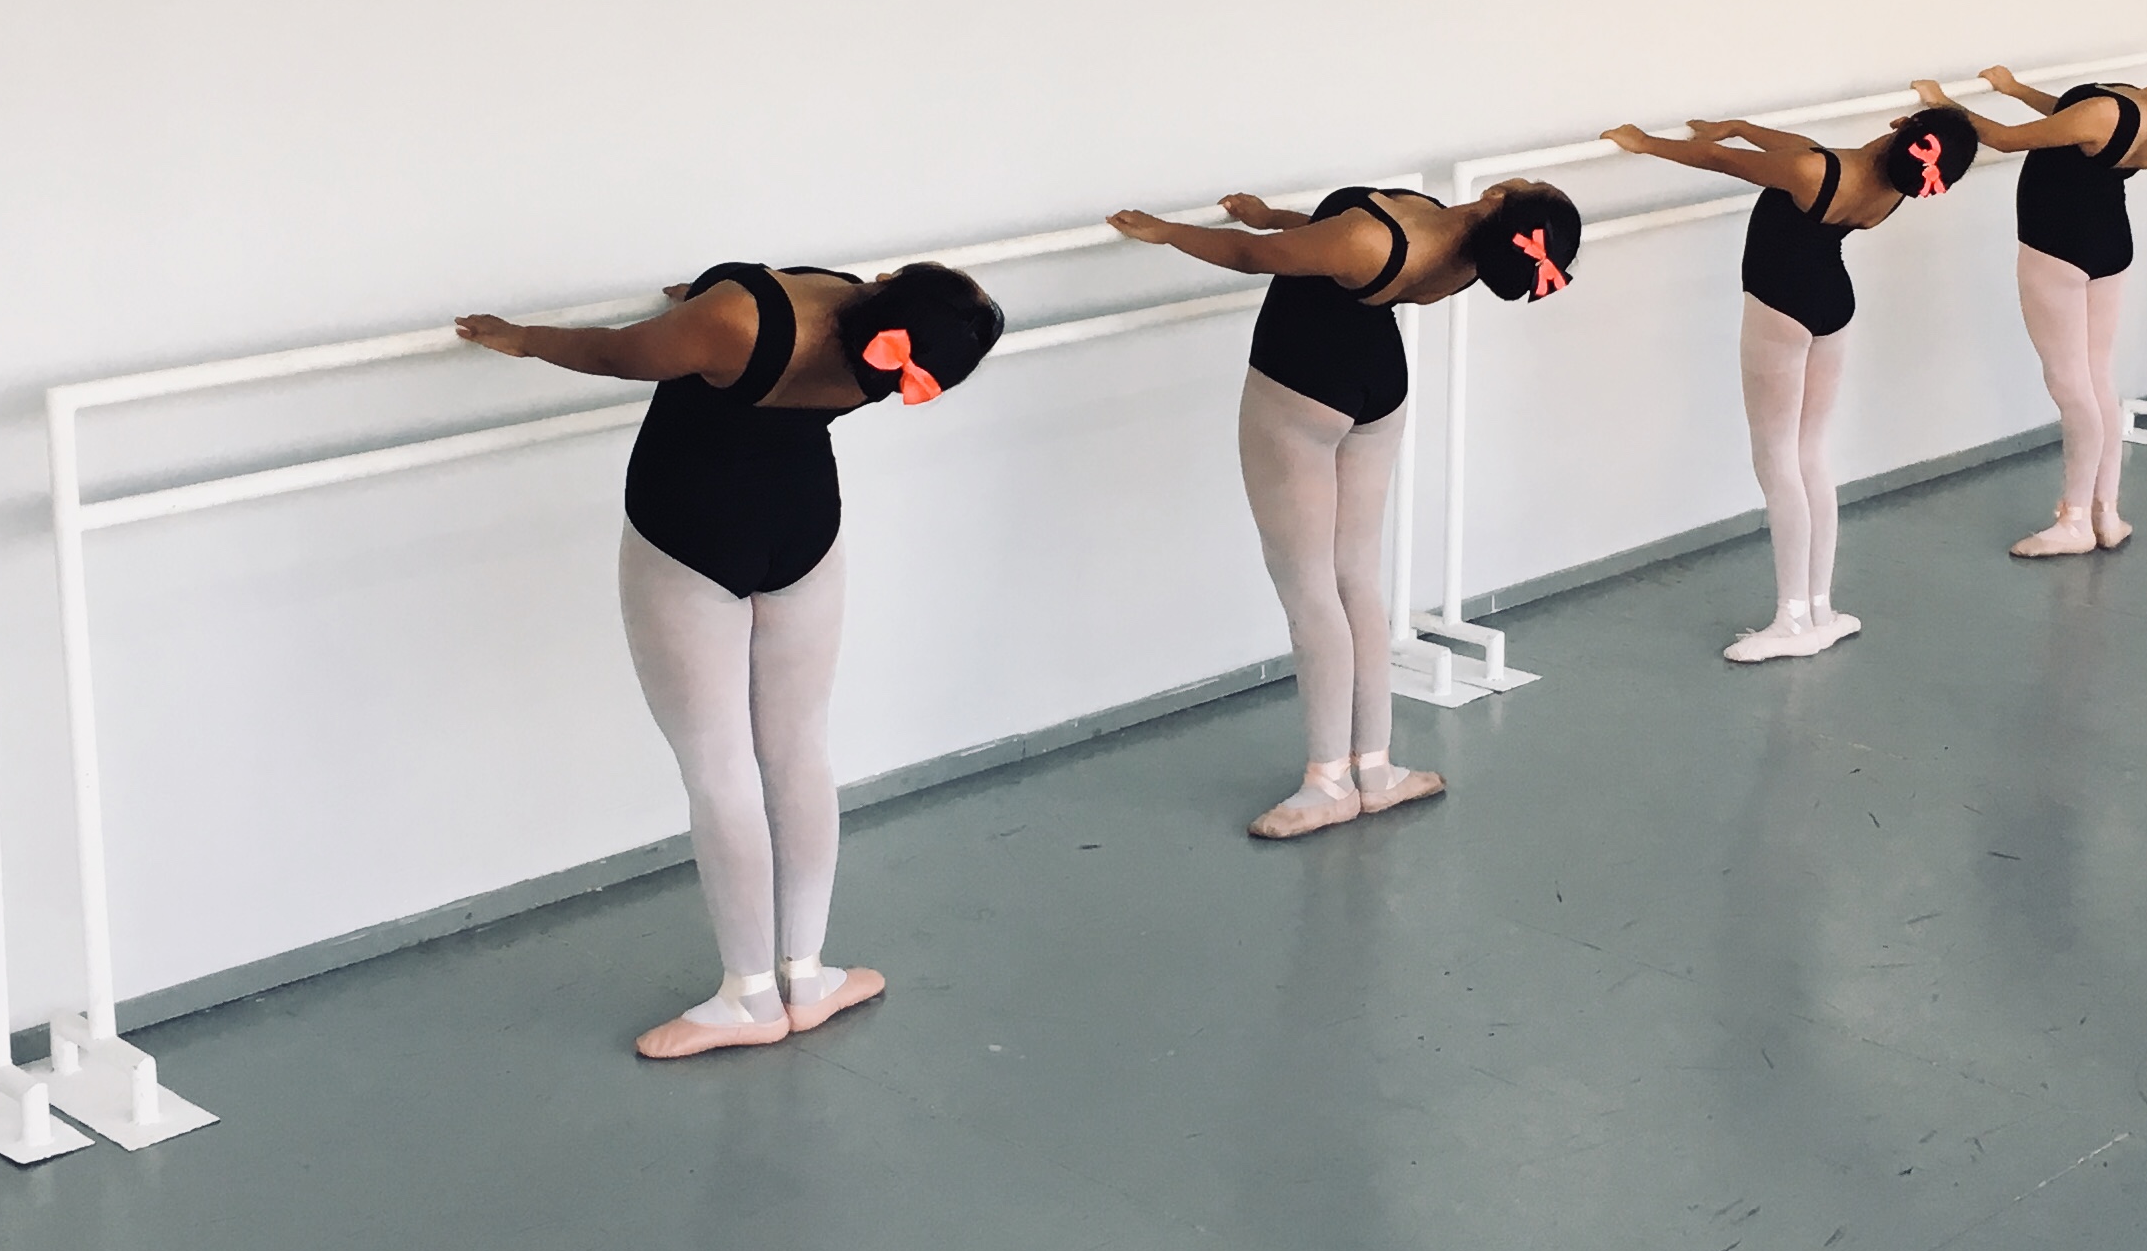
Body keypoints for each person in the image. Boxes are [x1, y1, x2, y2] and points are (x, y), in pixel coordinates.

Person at [459, 261, 1002, 1059]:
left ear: (885, 284)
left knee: (718, 765)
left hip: (690, 533)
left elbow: (616, 354)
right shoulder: (888, 362)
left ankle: (749, 998)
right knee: (797, 748)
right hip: (805, 529)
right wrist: (699, 305)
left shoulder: (746, 320)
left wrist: (525, 338)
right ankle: (808, 976)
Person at [1111, 180, 1583, 836]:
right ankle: (1375, 770)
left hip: (1303, 388)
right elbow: (1324, 245)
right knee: (1355, 576)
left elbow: (1260, 258)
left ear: (1507, 197)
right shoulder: (1466, 254)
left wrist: (1168, 233)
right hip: (1376, 386)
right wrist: (1270, 216)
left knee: (1309, 586)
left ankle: (1327, 782)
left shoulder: (1387, 238)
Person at [1599, 104, 1983, 659]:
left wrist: (1644, 143)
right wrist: (1739, 127)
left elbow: (1720, 161)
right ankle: (1821, 608)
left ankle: (1791, 620)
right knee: (1810, 454)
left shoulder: (1817, 172)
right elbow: (1800, 150)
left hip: (1782, 308)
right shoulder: (1890, 187)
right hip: (1833, 303)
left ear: (1903, 125)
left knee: (1776, 458)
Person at [1915, 49, 2147, 560]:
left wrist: (1944, 106)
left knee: (2069, 382)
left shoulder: (2115, 112)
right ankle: (2106, 512)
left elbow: (2010, 140)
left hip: (2058, 248)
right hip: (2108, 245)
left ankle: (2074, 519)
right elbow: (2071, 120)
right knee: (2098, 378)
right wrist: (2014, 90)